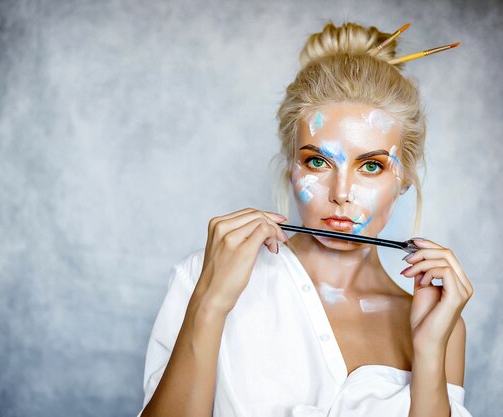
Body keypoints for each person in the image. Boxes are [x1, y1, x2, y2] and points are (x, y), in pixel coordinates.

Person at [137, 21, 474, 417]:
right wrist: (210, 304)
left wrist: (429, 352)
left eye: (371, 167)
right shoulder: (203, 276)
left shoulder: (439, 322)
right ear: (290, 167)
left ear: (404, 179)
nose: (341, 193)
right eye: (317, 161)